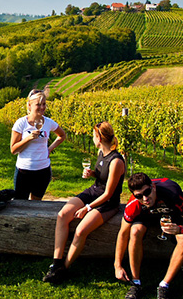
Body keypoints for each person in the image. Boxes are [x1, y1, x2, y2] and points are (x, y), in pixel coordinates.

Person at [43, 122, 125, 284]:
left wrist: (87, 208)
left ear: (99, 138)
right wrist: (92, 173)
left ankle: (63, 269)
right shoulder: (102, 152)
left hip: (107, 202)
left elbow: (109, 193)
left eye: (94, 136)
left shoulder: (116, 161)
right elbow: (102, 176)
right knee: (63, 215)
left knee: (81, 230)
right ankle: (56, 263)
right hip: (94, 191)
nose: (92, 139)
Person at [114, 173, 183, 299]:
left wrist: (180, 229)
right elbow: (123, 233)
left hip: (171, 213)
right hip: (146, 214)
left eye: (147, 192)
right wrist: (117, 265)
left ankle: (164, 285)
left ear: (153, 187)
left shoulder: (172, 193)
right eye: (139, 196)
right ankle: (135, 282)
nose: (145, 198)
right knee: (134, 231)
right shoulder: (134, 204)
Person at [10, 89, 66, 200]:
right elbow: (13, 149)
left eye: (44, 104)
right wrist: (28, 138)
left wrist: (49, 149)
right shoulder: (21, 123)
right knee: (21, 204)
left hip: (43, 171)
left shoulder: (49, 122)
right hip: (24, 171)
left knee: (36, 204)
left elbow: (62, 135)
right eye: (38, 104)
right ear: (30, 106)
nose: (42, 107)